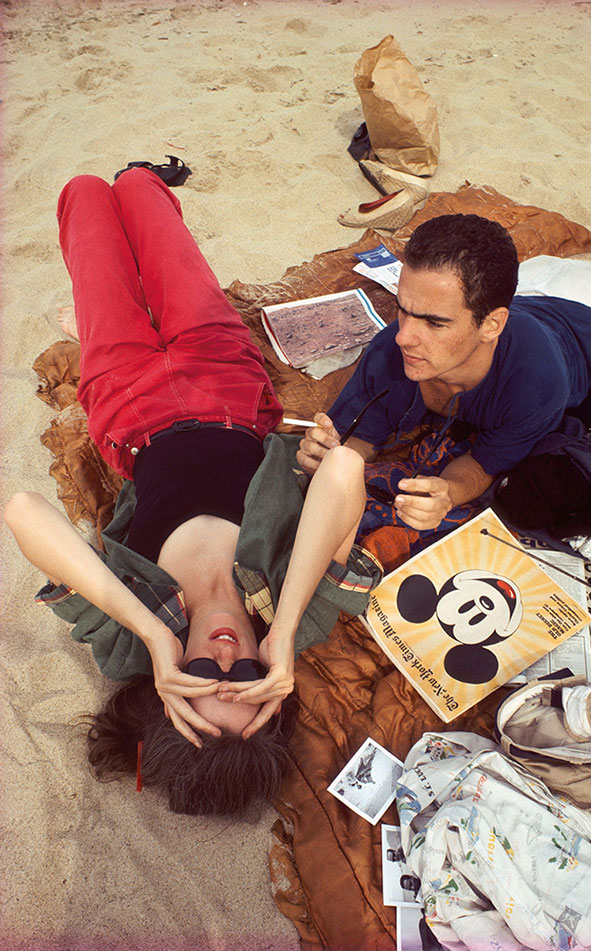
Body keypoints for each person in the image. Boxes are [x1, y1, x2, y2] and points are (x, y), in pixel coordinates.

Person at [4, 168, 380, 816]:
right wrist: (284, 626)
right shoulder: (292, 621)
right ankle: (146, 178)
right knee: (142, 198)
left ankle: (104, 258)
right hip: (225, 379)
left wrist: (153, 633)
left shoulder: (131, 643)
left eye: (205, 674)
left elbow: (22, 511)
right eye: (250, 677)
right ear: (276, 682)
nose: (229, 654)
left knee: (84, 197)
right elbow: (343, 471)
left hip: (126, 401)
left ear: (169, 686)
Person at [295, 213, 591, 545]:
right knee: (547, 271)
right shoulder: (388, 350)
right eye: (404, 311)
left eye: (434, 323)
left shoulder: (536, 383)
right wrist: (326, 456)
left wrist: (450, 493)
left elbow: (486, 462)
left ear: (492, 326)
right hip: (529, 284)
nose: (403, 337)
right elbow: (356, 441)